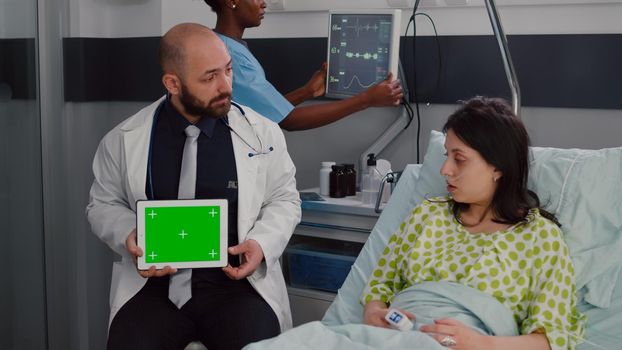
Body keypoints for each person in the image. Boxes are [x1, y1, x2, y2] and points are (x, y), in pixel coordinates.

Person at [86, 23, 301, 350]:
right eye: (209, 77)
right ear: (173, 83)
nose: (226, 85)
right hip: (154, 291)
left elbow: (285, 199)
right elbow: (102, 204)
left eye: (228, 70)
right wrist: (131, 234)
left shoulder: (262, 135)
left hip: (236, 288)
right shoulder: (124, 139)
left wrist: (261, 243)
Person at [361, 97, 585, 350]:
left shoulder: (540, 236)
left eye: (460, 159)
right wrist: (373, 312)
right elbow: (381, 284)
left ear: (498, 167)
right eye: (447, 156)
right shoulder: (428, 214)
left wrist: (481, 344)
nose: (445, 169)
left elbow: (551, 339)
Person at [203, 0, 404, 131]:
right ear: (232, 2)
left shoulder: (226, 46)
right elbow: (289, 120)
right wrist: (366, 99)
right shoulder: (231, 57)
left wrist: (306, 92)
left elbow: (265, 112)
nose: (263, 3)